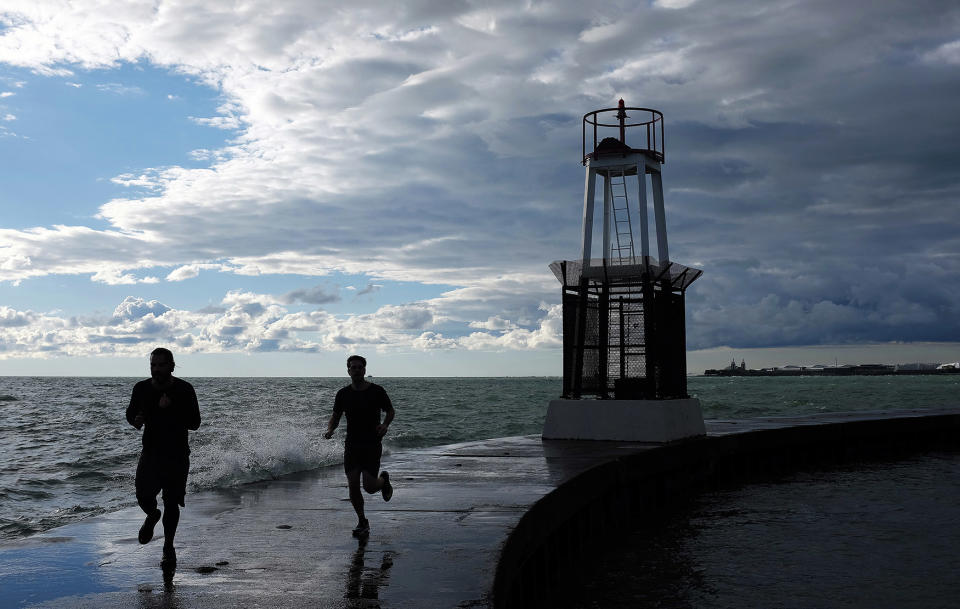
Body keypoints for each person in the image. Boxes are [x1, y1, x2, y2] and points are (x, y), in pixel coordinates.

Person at [126, 347, 201, 570]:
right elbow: (131, 414)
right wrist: (136, 419)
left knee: (171, 501)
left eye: (161, 365)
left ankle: (168, 547)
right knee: (142, 495)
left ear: (172, 366)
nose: (156, 369)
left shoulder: (185, 389)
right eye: (153, 365)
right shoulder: (141, 388)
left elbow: (195, 423)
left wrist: (172, 408)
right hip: (150, 453)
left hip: (177, 454)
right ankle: (152, 515)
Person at [324, 355, 395, 537]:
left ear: (364, 370)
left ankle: (383, 480)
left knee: (370, 487)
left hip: (372, 444)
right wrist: (330, 429)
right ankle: (362, 521)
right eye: (353, 367)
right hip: (352, 445)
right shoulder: (343, 394)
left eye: (359, 367)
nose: (356, 370)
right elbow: (336, 416)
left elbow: (390, 411)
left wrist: (385, 425)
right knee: (353, 484)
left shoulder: (377, 391)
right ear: (348, 371)